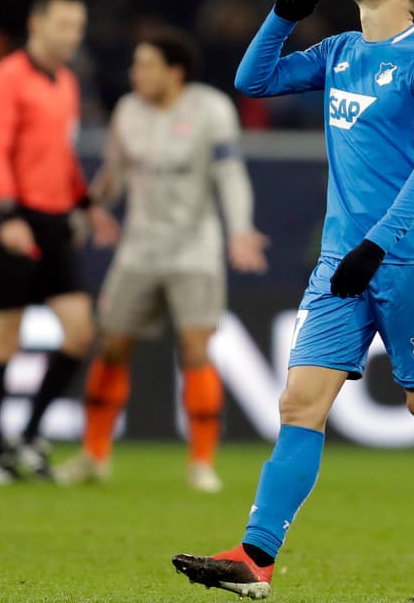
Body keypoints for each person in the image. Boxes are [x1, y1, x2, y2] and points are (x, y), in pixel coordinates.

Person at [172, 0, 414, 602]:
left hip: (412, 261)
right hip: (341, 263)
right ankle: (256, 558)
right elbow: (252, 81)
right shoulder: (340, 52)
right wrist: (280, 18)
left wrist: (378, 242)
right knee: (298, 402)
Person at [56, 28, 269, 494]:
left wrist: (240, 230)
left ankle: (201, 462)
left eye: (145, 64)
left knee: (195, 348)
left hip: (194, 249)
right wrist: (86, 218)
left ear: (174, 72)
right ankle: (94, 455)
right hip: (138, 248)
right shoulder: (127, 111)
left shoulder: (211, 109)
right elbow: (112, 176)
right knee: (112, 346)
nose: (136, 73)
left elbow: (230, 176)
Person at [0, 0, 118, 485]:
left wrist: (86, 206)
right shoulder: (4, 81)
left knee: (80, 330)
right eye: (62, 24)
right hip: (15, 220)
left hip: (55, 222)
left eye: (77, 26)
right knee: (5, 342)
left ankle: (29, 433)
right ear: (36, 24)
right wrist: (4, 216)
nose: (71, 35)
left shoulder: (67, 83)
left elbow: (62, 156)